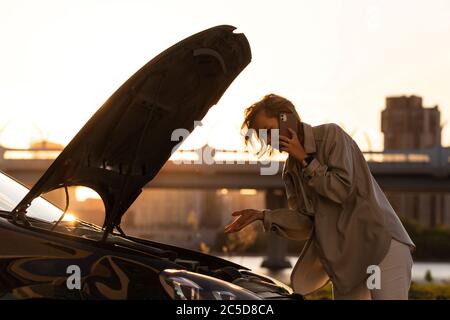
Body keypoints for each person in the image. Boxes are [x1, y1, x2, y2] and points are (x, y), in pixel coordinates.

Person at [224, 94, 415, 300]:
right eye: (264, 136)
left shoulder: (331, 136)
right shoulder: (290, 170)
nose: (269, 141)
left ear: (286, 118)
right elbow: (306, 224)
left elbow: (341, 190)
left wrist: (306, 160)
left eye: (269, 131)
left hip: (381, 246)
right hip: (348, 262)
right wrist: (263, 215)